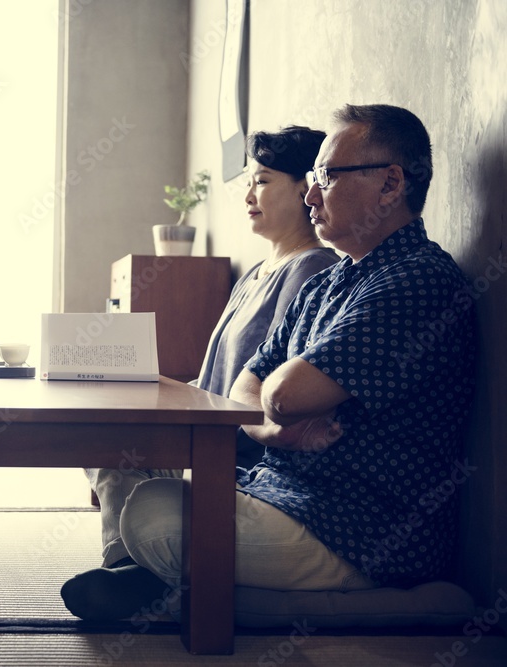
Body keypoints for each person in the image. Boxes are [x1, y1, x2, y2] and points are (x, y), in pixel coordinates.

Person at [64, 103, 477, 621]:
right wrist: (278, 431)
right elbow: (248, 388)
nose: (310, 194)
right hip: (274, 487)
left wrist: (273, 409)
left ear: (391, 184)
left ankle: (374, 603)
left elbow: (282, 394)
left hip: (355, 526)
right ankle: (159, 589)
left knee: (151, 514)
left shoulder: (418, 281)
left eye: (325, 175)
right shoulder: (329, 282)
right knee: (124, 458)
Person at [80, 126, 339, 590]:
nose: (248, 196)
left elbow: (279, 388)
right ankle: (128, 568)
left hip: (233, 454)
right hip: (198, 437)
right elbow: (209, 381)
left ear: (306, 187)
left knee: (118, 455)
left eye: (262, 181)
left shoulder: (312, 270)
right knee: (105, 441)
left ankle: (138, 576)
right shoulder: (258, 272)